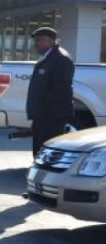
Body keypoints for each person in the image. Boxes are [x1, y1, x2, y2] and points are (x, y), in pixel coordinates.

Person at [26, 27, 75, 157]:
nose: (36, 43)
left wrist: (41, 110)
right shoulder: (46, 58)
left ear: (51, 41)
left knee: (49, 153)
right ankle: (39, 177)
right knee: (39, 152)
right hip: (42, 117)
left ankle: (47, 177)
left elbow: (60, 90)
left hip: (52, 117)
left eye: (40, 40)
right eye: (35, 40)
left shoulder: (60, 58)